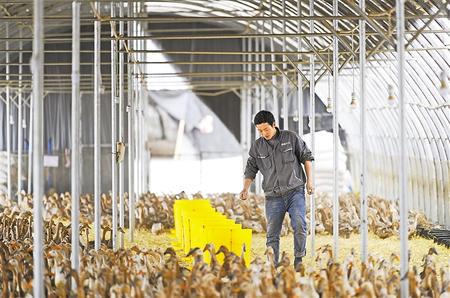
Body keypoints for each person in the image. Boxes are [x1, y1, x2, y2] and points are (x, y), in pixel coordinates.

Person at [240, 110, 314, 270]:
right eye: (260, 130)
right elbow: (250, 169)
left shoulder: (291, 138)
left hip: (295, 191)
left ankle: (299, 259)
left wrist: (310, 181)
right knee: (272, 232)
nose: (263, 133)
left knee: (300, 224)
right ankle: (273, 264)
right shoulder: (257, 147)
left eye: (266, 129)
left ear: (274, 125)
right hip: (273, 196)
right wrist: (245, 188)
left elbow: (306, 157)